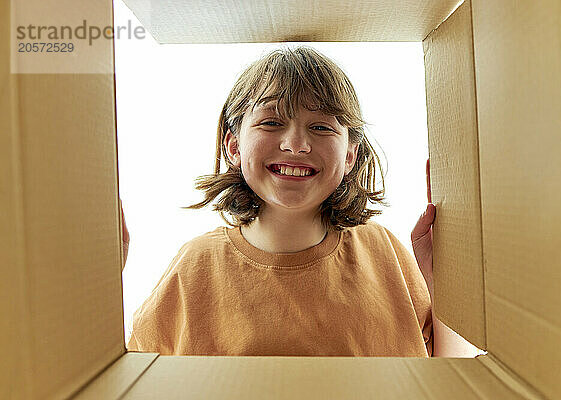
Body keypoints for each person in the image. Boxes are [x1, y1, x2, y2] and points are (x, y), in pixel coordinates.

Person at [124, 46, 440, 357]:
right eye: (271, 122)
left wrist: (442, 281)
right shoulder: (195, 267)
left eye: (320, 127)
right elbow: (130, 377)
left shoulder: (385, 252)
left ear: (349, 155)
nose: (296, 145)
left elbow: (449, 373)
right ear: (234, 146)